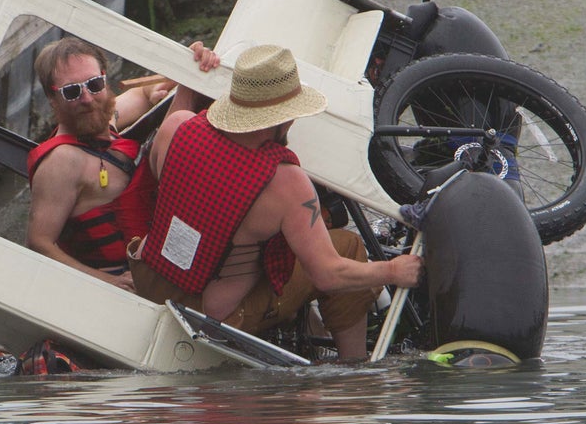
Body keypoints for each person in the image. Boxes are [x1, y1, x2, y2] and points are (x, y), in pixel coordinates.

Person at [128, 44, 424, 361]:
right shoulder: (287, 184)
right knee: (346, 248)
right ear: (281, 118)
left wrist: (187, 80)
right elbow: (328, 274)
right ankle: (356, 367)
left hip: (150, 280)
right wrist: (393, 270)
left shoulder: (178, 126)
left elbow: (169, 176)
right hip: (210, 314)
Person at [26, 35, 219, 292]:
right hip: (132, 282)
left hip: (163, 258)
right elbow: (39, 243)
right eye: (71, 92)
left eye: (94, 84)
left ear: (104, 80)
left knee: (185, 111)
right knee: (180, 123)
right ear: (53, 100)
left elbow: (141, 92)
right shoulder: (62, 162)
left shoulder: (104, 120)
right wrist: (106, 282)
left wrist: (175, 75)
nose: (86, 98)